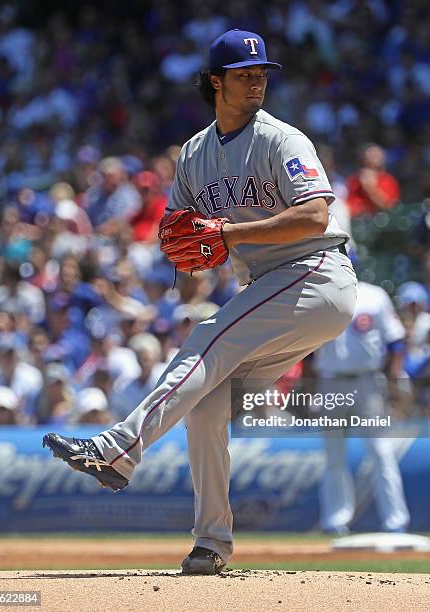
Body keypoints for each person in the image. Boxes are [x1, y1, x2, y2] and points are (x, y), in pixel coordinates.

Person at [43, 29, 357, 575]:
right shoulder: (193, 154)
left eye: (261, 72)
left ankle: (119, 449)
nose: (257, 80)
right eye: (244, 73)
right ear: (215, 81)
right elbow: (185, 243)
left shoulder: (284, 140)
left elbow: (314, 216)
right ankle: (212, 543)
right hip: (269, 288)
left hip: (317, 276)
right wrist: (187, 253)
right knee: (207, 401)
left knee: (207, 336)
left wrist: (229, 233)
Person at [314, 280, 410, 534]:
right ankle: (335, 520)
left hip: (368, 381)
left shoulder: (374, 295)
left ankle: (395, 520)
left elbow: (396, 341)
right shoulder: (319, 292)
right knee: (334, 454)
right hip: (330, 381)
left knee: (381, 450)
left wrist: (393, 378)